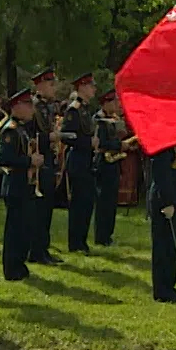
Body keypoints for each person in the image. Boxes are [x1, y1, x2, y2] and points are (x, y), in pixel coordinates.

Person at [0, 88, 40, 281]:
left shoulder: (21, 128)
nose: (32, 109)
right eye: (28, 105)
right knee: (15, 229)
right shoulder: (10, 130)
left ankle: (19, 264)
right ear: (16, 107)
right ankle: (12, 268)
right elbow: (4, 158)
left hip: (24, 183)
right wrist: (30, 161)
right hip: (14, 183)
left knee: (24, 227)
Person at [147, 140, 176, 303]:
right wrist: (167, 202)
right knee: (163, 245)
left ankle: (170, 287)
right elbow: (160, 173)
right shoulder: (164, 140)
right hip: (165, 199)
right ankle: (162, 290)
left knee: (172, 247)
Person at [28, 67, 63, 265]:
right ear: (40, 85)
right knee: (38, 209)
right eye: (50, 84)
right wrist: (47, 137)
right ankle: (35, 250)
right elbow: (28, 135)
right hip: (38, 160)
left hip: (48, 159)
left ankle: (43, 248)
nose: (54, 88)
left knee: (47, 208)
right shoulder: (32, 107)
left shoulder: (48, 107)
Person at [62, 72, 99, 252]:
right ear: (82, 87)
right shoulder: (73, 110)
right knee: (78, 203)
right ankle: (75, 242)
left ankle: (82, 240)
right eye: (91, 85)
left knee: (87, 202)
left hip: (87, 159)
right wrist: (88, 143)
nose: (94, 89)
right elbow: (67, 137)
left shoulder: (85, 109)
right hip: (77, 159)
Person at [93, 88, 134, 245]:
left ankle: (108, 234)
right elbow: (101, 143)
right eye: (115, 102)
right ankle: (101, 236)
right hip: (103, 163)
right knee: (104, 202)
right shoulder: (99, 119)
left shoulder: (113, 119)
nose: (118, 105)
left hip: (114, 162)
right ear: (106, 103)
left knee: (111, 202)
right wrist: (119, 145)